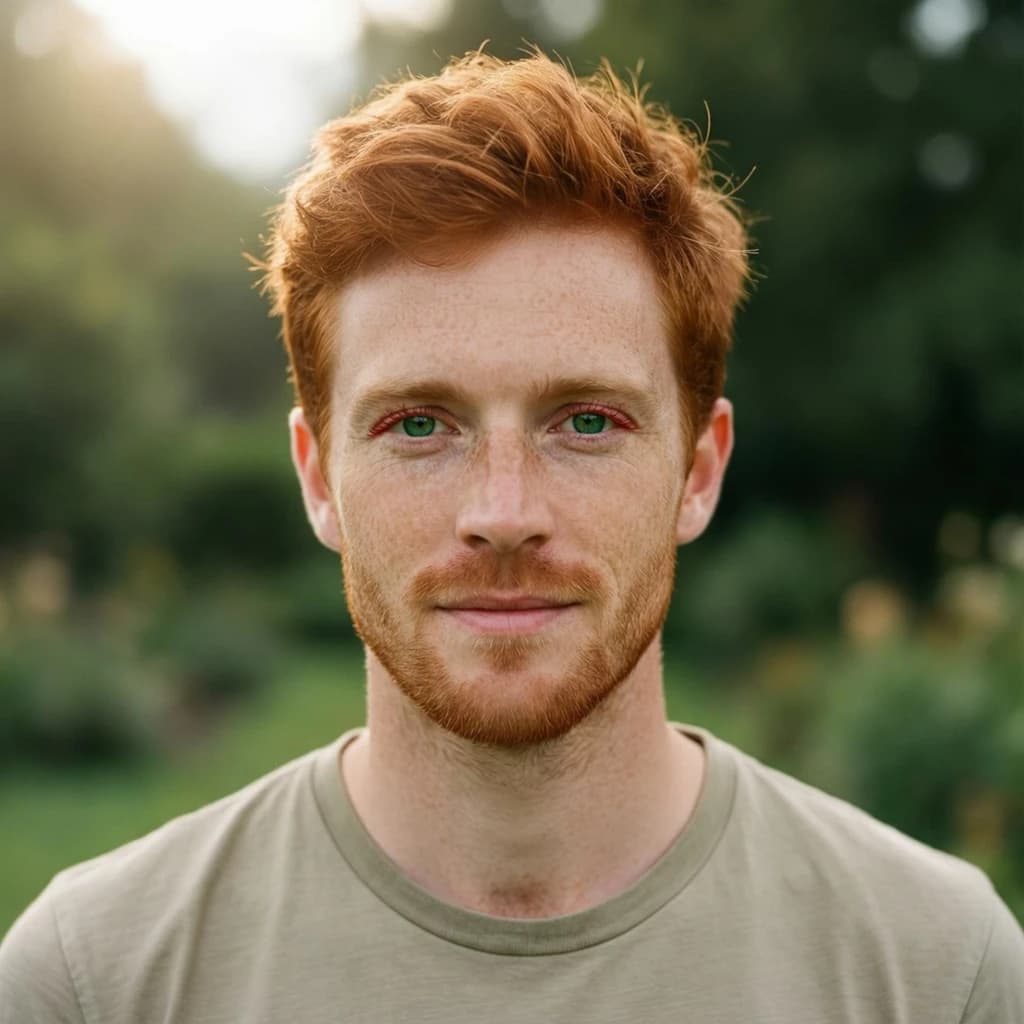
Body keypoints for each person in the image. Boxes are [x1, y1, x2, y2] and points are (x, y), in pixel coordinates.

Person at [1, 47, 1021, 1023]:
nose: (502, 513)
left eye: (585, 421)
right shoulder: (93, 984)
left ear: (698, 471)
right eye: (417, 425)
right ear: (317, 477)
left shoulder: (937, 973)